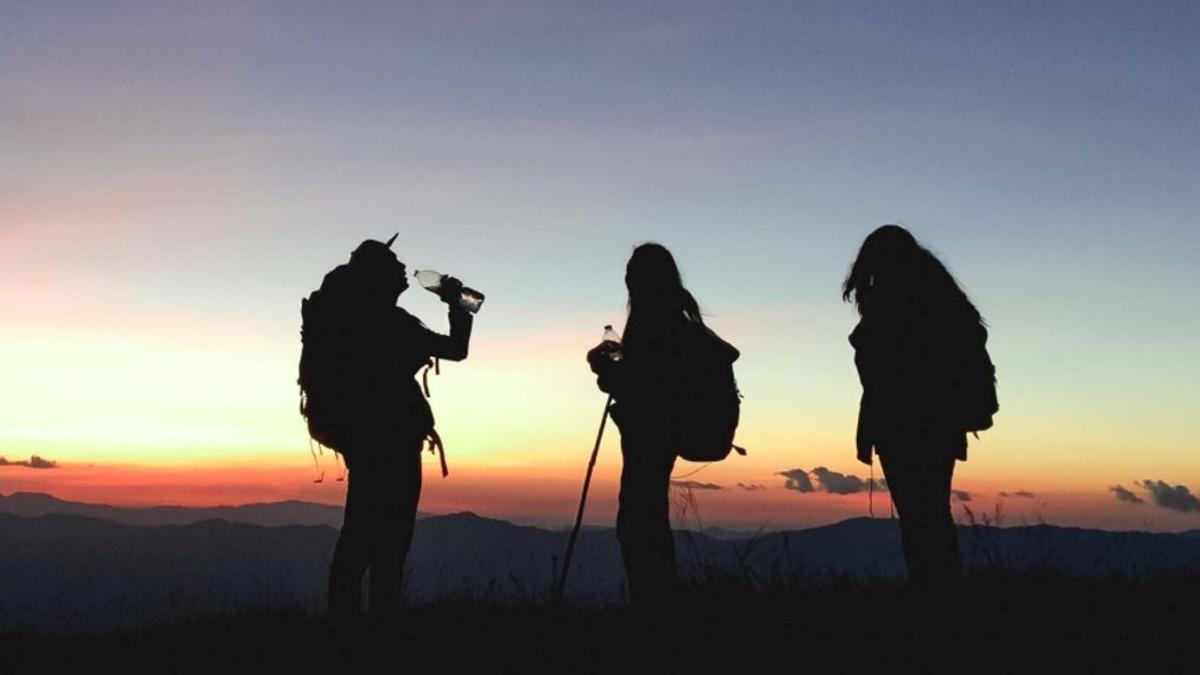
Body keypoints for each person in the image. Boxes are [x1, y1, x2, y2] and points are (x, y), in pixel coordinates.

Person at [313, 237, 473, 621]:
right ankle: (374, 632)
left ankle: (346, 628)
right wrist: (459, 302)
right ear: (378, 277)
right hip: (393, 445)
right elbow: (456, 349)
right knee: (387, 543)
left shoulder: (357, 321)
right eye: (394, 264)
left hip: (367, 442)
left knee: (360, 538)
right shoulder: (387, 322)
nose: (404, 269)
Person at [587, 243, 738, 607]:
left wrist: (603, 368)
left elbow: (643, 386)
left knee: (639, 521)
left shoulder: (654, 326)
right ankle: (658, 604)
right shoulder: (679, 324)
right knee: (645, 517)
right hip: (666, 432)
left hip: (652, 435)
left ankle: (653, 607)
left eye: (631, 274)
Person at [844, 225, 991, 588]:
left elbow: (880, 368)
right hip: (941, 423)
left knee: (918, 517)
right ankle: (941, 590)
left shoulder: (892, 302)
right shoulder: (941, 298)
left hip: (903, 423)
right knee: (932, 514)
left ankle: (933, 594)